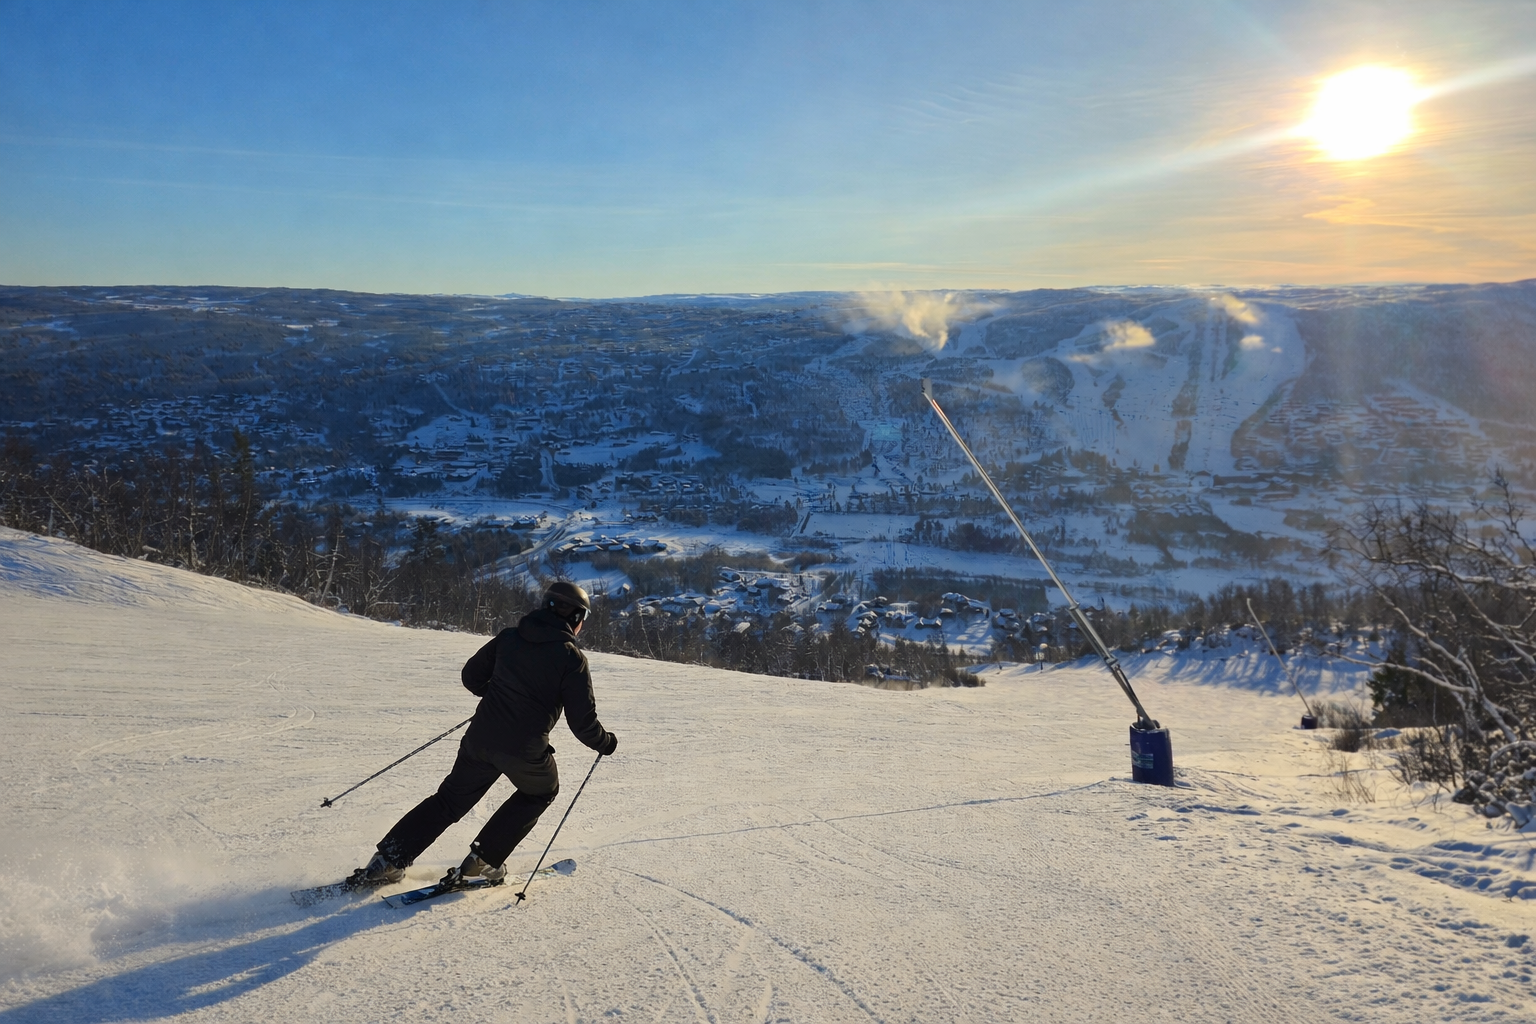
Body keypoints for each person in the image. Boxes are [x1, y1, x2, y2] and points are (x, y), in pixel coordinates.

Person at [350, 581, 617, 887]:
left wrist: (496, 697)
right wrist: (606, 742)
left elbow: (471, 676)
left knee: (448, 800)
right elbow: (582, 723)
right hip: (524, 750)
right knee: (541, 791)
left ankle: (387, 861)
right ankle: (483, 861)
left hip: (480, 739)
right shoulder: (571, 658)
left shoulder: (510, 637)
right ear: (575, 617)